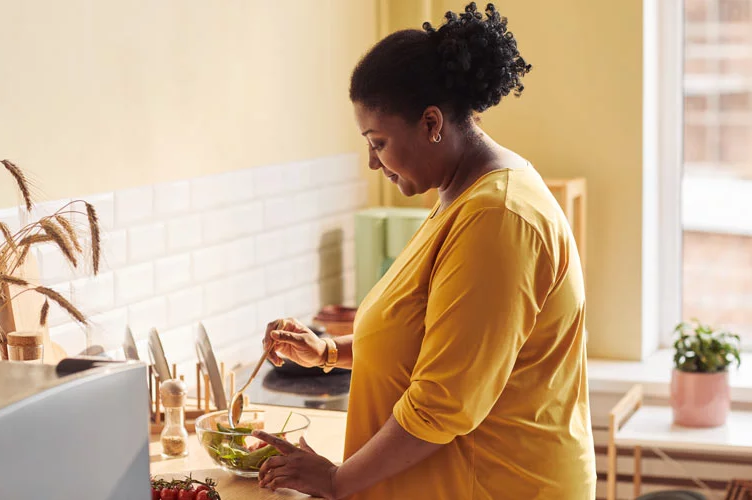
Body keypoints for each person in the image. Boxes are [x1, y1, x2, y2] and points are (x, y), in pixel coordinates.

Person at [252, 2, 596, 499]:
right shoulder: (460, 199)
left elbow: (444, 401)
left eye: (379, 141)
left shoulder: (498, 218)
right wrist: (326, 352)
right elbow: (428, 339)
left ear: (432, 123)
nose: (373, 161)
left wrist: (335, 480)